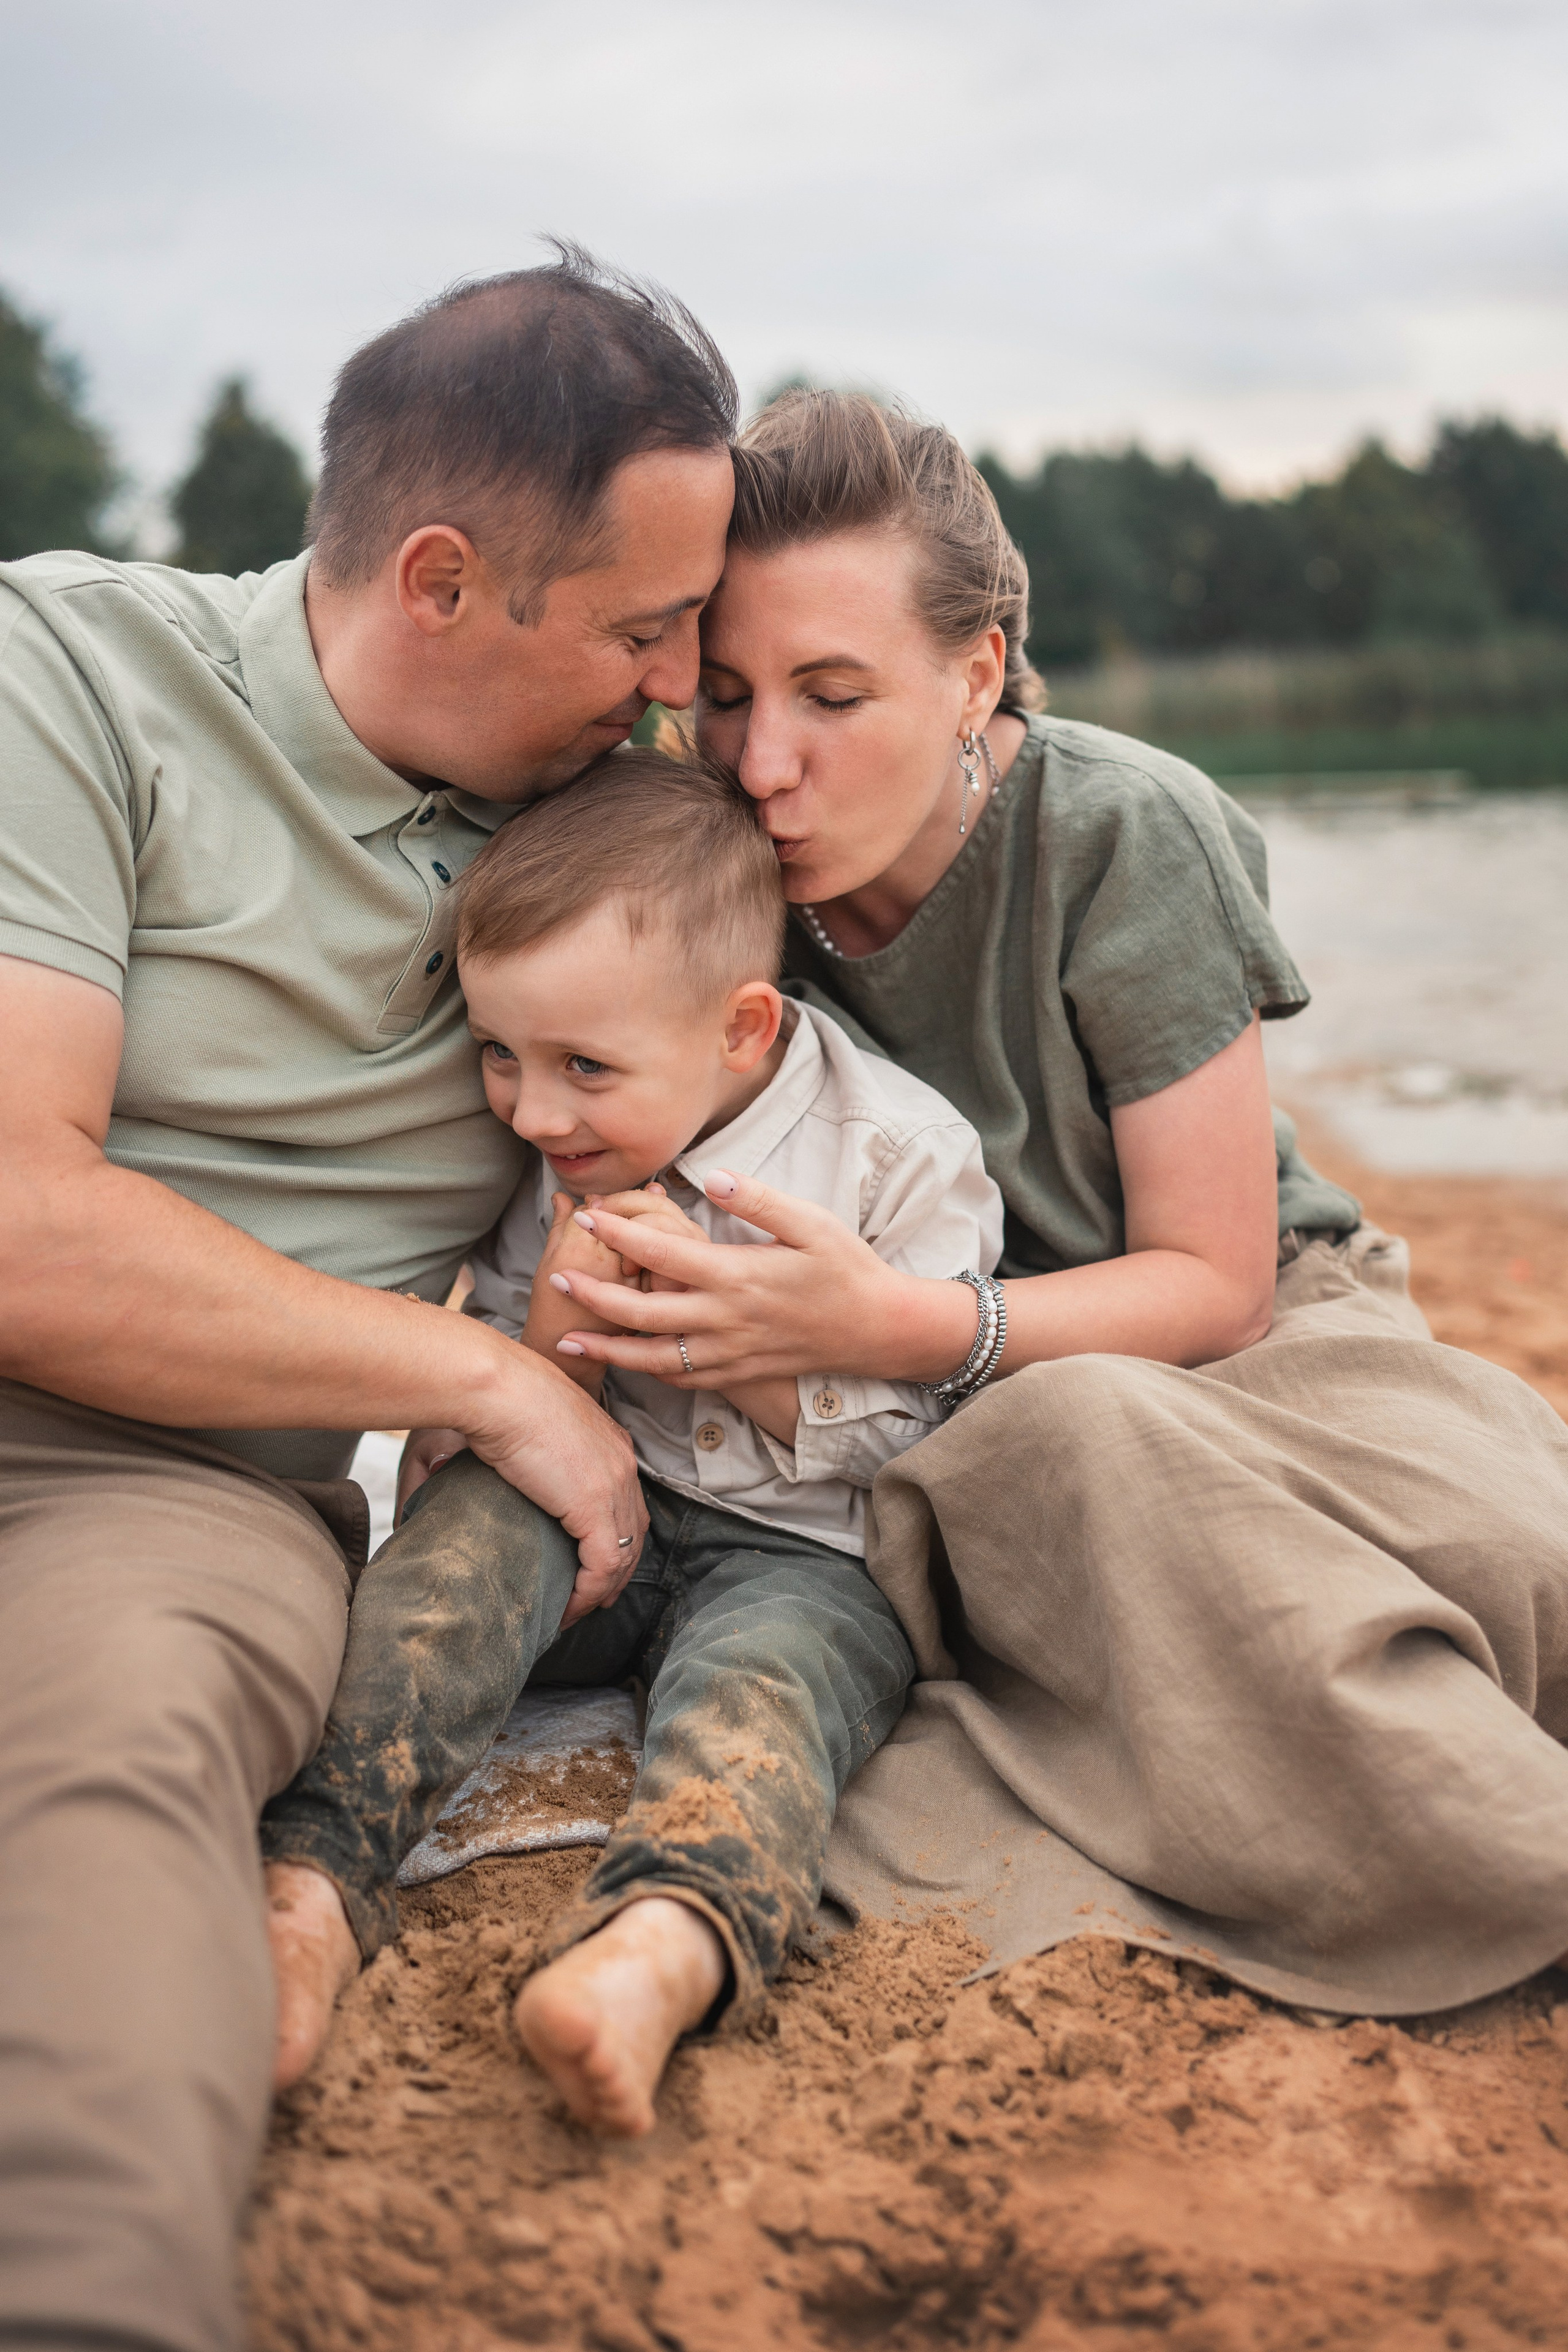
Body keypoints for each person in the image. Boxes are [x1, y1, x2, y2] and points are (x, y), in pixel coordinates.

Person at [536, 390, 1568, 2018]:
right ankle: (1505, 1851)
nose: (766, 762)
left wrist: (887, 1324)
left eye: (833, 692)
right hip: (976, 1409)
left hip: (1251, 1319)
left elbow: (1218, 1279)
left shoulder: (1114, 833)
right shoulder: (701, 877)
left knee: (1503, 1555)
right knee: (1100, 1462)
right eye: (725, 695)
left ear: (977, 667)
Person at [0, 250, 737, 2352]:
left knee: (119, 1763)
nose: (680, 681)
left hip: (159, 1501)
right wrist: (474, 1377)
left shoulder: (611, 834)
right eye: (637, 626)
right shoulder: (64, 670)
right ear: (439, 580)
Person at [260, 748, 1003, 2133]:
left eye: (581, 1068)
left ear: (738, 1028)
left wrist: (748, 1355)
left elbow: (935, 1448)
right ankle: (313, 1877)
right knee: (456, 1564)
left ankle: (657, 1948)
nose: (534, 1113)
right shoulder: (558, 1150)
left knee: (761, 1700)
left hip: (806, 1554)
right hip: (605, 1518)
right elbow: (507, 1396)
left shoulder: (893, 1155)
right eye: (499, 1055)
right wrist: (550, 1337)